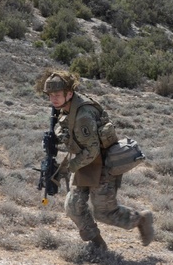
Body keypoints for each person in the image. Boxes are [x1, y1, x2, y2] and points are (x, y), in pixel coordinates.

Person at [37, 70, 154, 251]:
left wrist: (66, 169)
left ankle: (141, 219)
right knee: (73, 206)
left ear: (69, 93)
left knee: (105, 213)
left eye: (57, 95)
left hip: (102, 166)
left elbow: (92, 151)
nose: (53, 99)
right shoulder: (65, 109)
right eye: (50, 95)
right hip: (84, 164)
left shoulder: (83, 114)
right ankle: (98, 246)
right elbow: (72, 138)